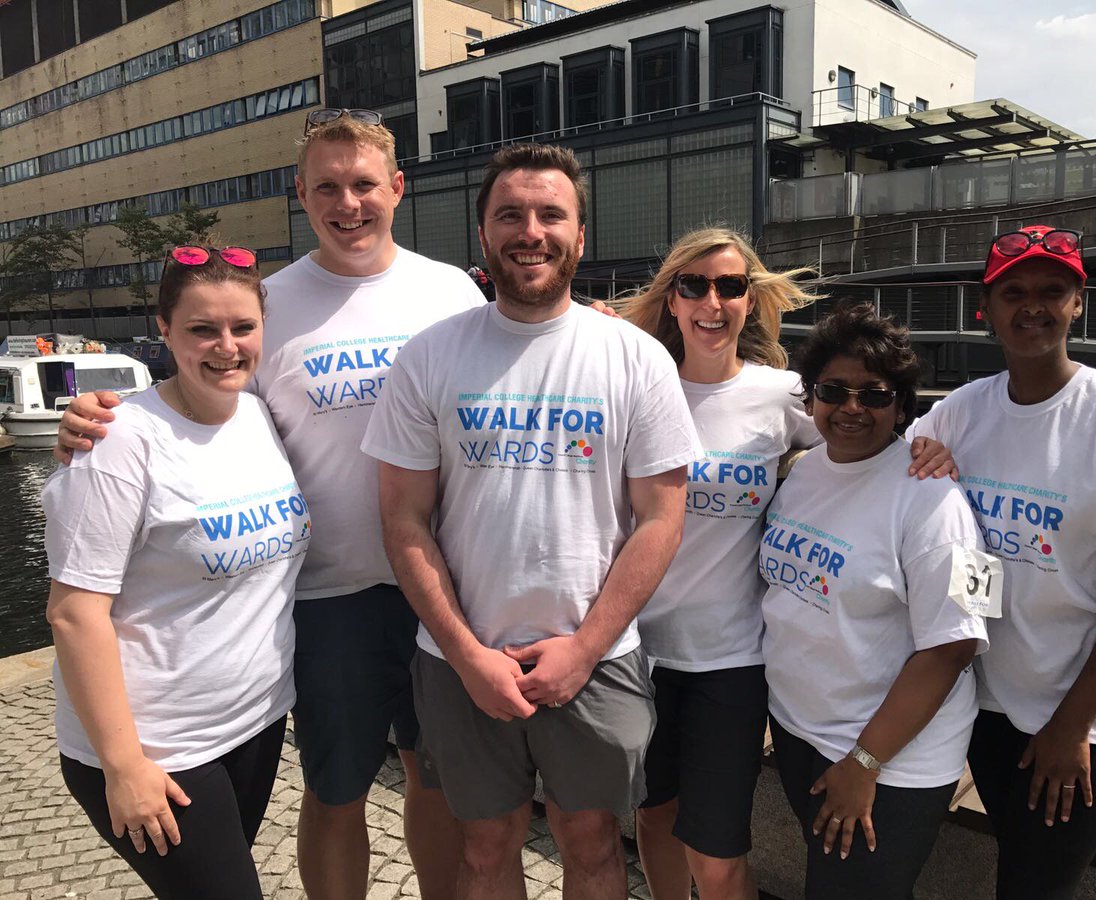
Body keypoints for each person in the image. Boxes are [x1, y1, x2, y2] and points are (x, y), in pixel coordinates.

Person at [54, 109, 485, 900]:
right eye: (327, 186)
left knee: (438, 786)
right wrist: (99, 420)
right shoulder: (272, 302)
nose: (347, 203)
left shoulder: (450, 291)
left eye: (363, 184)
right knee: (336, 790)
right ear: (301, 193)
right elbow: (204, 396)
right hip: (327, 596)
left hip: (443, 585)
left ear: (397, 186)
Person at [362, 142, 701, 900]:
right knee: (484, 848)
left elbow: (660, 520)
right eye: (509, 214)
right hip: (459, 659)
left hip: (598, 656)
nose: (531, 231)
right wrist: (467, 654)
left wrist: (583, 650)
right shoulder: (429, 357)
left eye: (552, 214)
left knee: (592, 847)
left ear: (581, 234)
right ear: (482, 233)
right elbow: (403, 518)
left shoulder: (635, 358)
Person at [616, 228, 958, 900]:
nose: (712, 302)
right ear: (672, 299)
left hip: (731, 662)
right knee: (652, 817)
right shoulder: (636, 386)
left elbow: (861, 425)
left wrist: (934, 445)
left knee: (716, 855)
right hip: (639, 651)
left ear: (751, 300)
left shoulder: (781, 395)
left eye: (731, 286)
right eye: (694, 286)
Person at [909, 225, 1096, 899]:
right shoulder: (960, 411)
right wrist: (921, 461)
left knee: (1038, 886)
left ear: (1078, 303)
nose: (1031, 306)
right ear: (986, 308)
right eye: (1013, 292)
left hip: (1084, 717)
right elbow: (889, 473)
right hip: (987, 704)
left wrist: (1071, 727)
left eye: (1051, 290)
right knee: (1017, 866)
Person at [44, 246, 309, 899]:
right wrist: (123, 765)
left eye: (242, 328)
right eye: (201, 329)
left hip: (255, 722)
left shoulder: (259, 414)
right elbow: (73, 614)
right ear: (163, 329)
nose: (226, 347)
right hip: (160, 747)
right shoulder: (118, 441)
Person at [761, 302, 992, 900]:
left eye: (875, 394)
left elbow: (954, 644)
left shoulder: (931, 500)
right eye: (834, 391)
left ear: (902, 405)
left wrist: (865, 762)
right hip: (799, 729)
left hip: (886, 760)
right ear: (812, 398)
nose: (852, 408)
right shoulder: (806, 472)